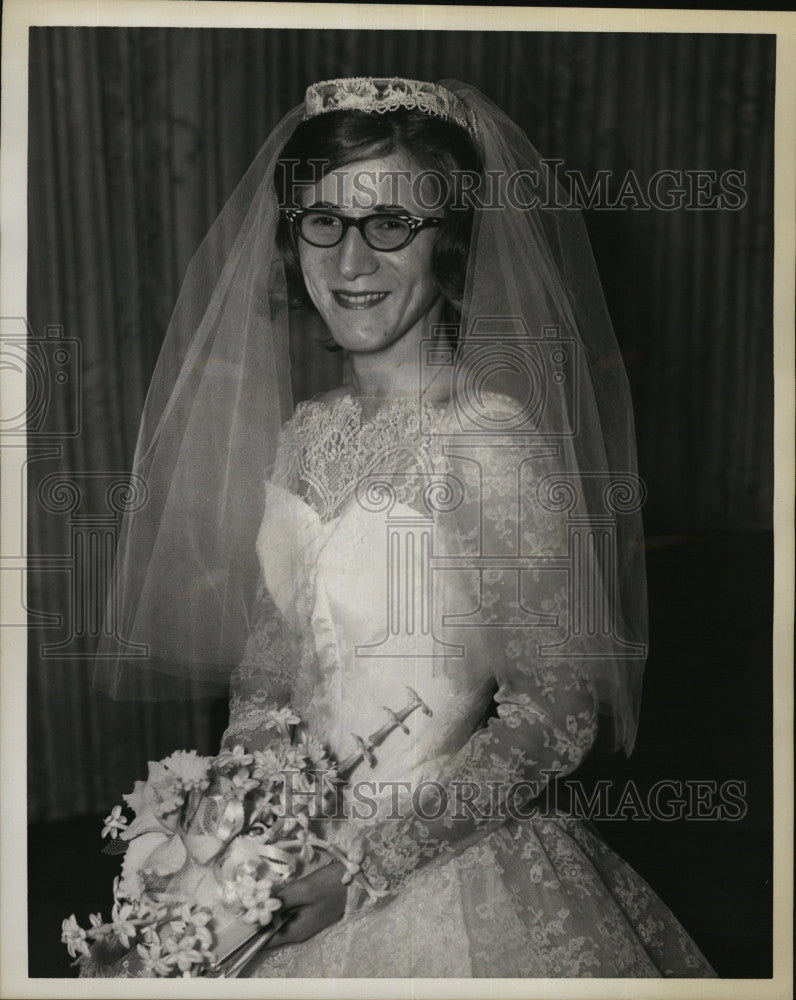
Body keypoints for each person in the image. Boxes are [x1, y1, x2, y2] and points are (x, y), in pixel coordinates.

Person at [93, 77, 716, 977]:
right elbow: (270, 679)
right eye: (323, 222)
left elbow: (556, 710)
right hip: (289, 863)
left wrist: (365, 866)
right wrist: (241, 821)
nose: (351, 261)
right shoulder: (307, 429)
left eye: (391, 224)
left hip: (441, 871)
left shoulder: (490, 442)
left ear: (451, 242)